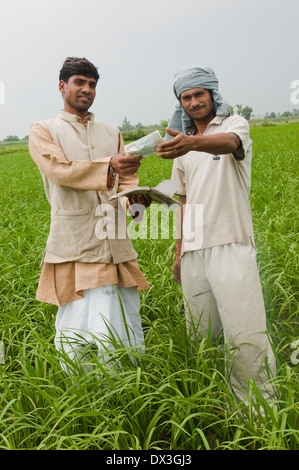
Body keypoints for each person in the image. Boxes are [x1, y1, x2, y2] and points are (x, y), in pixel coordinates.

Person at [157, 65, 276, 406]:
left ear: (212, 95)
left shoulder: (233, 125)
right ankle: (212, 404)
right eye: (186, 97)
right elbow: (183, 199)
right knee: (201, 335)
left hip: (231, 243)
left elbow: (229, 144)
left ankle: (258, 410)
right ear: (180, 103)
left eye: (199, 94)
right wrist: (180, 252)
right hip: (195, 251)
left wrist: (190, 143)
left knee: (245, 332)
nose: (194, 102)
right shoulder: (181, 147)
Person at [29, 57, 150, 373]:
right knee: (78, 321)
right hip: (76, 240)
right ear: (62, 86)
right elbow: (60, 171)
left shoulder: (111, 131)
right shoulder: (44, 130)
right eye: (79, 82)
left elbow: (125, 180)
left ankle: (129, 384)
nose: (86, 89)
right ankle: (84, 391)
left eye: (92, 84)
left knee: (124, 314)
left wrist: (134, 201)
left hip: (115, 240)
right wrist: (109, 166)